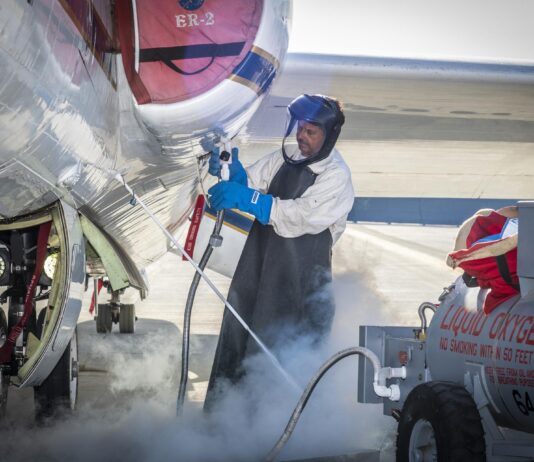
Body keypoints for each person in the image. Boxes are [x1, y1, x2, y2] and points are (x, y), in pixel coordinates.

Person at [204, 94, 355, 410]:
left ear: (329, 136)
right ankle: (224, 425)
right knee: (239, 337)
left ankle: (279, 433)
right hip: (258, 269)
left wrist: (248, 201)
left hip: (298, 283)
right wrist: (230, 171)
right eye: (300, 128)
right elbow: (252, 182)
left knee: (283, 351)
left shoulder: (335, 176)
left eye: (311, 131)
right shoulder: (286, 160)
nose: (302, 135)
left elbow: (299, 217)